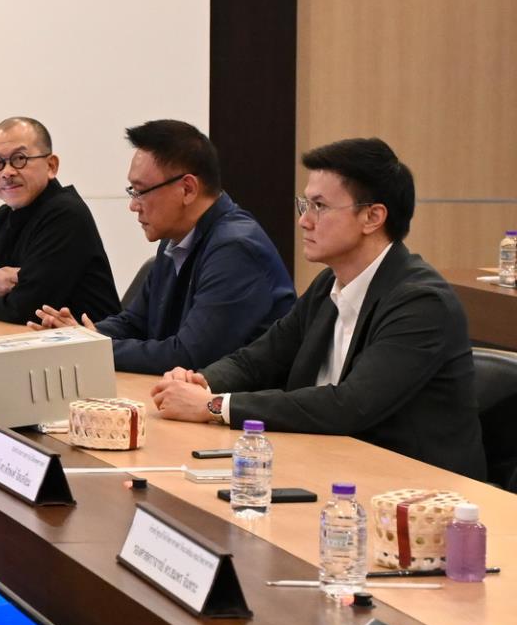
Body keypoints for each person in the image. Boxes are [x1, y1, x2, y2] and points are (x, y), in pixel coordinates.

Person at [151, 138, 484, 479]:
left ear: (372, 217)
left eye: (320, 207)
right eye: (305, 205)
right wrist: (200, 382)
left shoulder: (422, 302)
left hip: (413, 488)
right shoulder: (328, 285)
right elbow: (256, 360)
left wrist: (213, 406)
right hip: (329, 463)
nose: (304, 221)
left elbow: (350, 405)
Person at [33, 120, 293, 375]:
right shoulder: (176, 238)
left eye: (141, 191)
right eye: (132, 191)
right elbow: (134, 322)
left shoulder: (235, 249)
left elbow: (189, 356)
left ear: (187, 189)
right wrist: (79, 336)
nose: (133, 205)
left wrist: (92, 348)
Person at [0, 117, 118, 324]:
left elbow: (24, 310)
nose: (7, 172)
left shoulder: (66, 214)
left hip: (90, 342)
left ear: (51, 166)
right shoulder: (4, 216)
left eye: (19, 159)